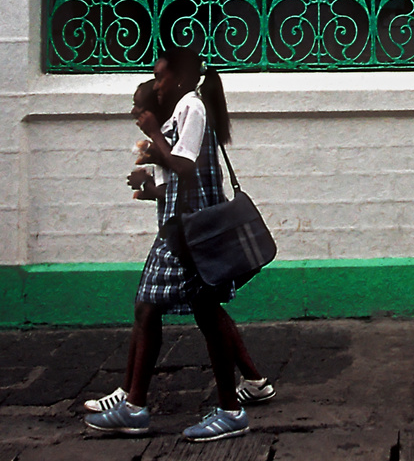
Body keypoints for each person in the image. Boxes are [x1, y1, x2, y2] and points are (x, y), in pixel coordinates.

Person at [84, 48, 275, 440]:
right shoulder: (186, 110)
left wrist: (155, 134)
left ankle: (150, 406)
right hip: (181, 228)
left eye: (160, 77)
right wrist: (152, 185)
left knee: (163, 309)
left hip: (189, 231)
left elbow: (186, 166)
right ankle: (143, 403)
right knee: (171, 310)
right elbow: (182, 176)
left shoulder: (193, 107)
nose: (157, 85)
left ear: (181, 79)